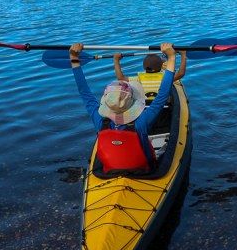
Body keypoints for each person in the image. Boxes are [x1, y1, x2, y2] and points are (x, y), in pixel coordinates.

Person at [69, 42, 176, 175]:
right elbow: (162, 95)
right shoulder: (142, 122)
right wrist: (171, 58)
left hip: (110, 171)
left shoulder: (100, 120)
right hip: (143, 171)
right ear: (132, 103)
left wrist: (74, 58)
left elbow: (83, 91)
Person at [114, 49, 187, 101]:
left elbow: (120, 77)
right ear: (161, 66)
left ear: (144, 68)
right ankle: (165, 58)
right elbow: (181, 73)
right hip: (163, 107)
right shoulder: (165, 78)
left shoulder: (138, 79)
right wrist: (183, 55)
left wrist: (116, 59)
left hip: (145, 107)